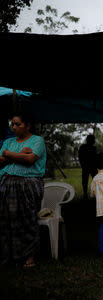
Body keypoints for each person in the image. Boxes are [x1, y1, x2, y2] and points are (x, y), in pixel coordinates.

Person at [0, 114, 47, 269]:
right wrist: (20, 154)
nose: (13, 127)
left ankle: (30, 255)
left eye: (17, 124)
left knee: (27, 218)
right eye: (12, 124)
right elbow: (1, 161)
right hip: (7, 182)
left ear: (27, 125)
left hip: (29, 184)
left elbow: (30, 160)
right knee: (6, 220)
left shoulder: (37, 141)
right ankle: (9, 255)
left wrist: (8, 154)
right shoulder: (8, 141)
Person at [78, 134, 97, 200]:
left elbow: (80, 157)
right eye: (93, 139)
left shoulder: (84, 147)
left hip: (88, 167)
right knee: (87, 181)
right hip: (89, 167)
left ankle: (86, 194)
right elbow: (80, 157)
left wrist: (82, 164)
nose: (94, 141)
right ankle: (87, 194)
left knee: (86, 181)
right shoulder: (92, 148)